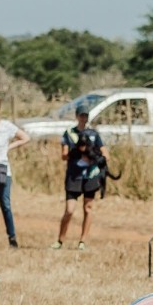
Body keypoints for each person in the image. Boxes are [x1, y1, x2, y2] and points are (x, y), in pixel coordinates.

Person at [52, 107, 108, 250]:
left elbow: (105, 152)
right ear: (77, 116)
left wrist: (96, 158)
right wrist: (76, 152)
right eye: (81, 115)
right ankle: (60, 240)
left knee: (88, 208)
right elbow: (63, 155)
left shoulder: (94, 134)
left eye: (86, 115)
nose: (84, 118)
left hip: (90, 175)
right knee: (69, 210)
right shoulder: (69, 134)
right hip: (74, 175)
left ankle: (82, 241)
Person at [0, 96, 30, 248]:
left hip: (1, 169)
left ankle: (12, 238)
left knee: (5, 204)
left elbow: (25, 137)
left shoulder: (6, 126)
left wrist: (9, 147)